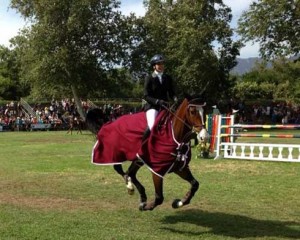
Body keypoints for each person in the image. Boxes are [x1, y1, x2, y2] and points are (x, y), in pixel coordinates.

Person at [142, 54, 177, 141]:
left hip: (165, 106)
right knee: (152, 125)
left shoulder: (167, 78)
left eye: (162, 64)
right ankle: (142, 145)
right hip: (153, 107)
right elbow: (146, 96)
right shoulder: (149, 78)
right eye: (159, 64)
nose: (161, 66)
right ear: (154, 66)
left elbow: (171, 92)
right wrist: (157, 101)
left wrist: (175, 98)